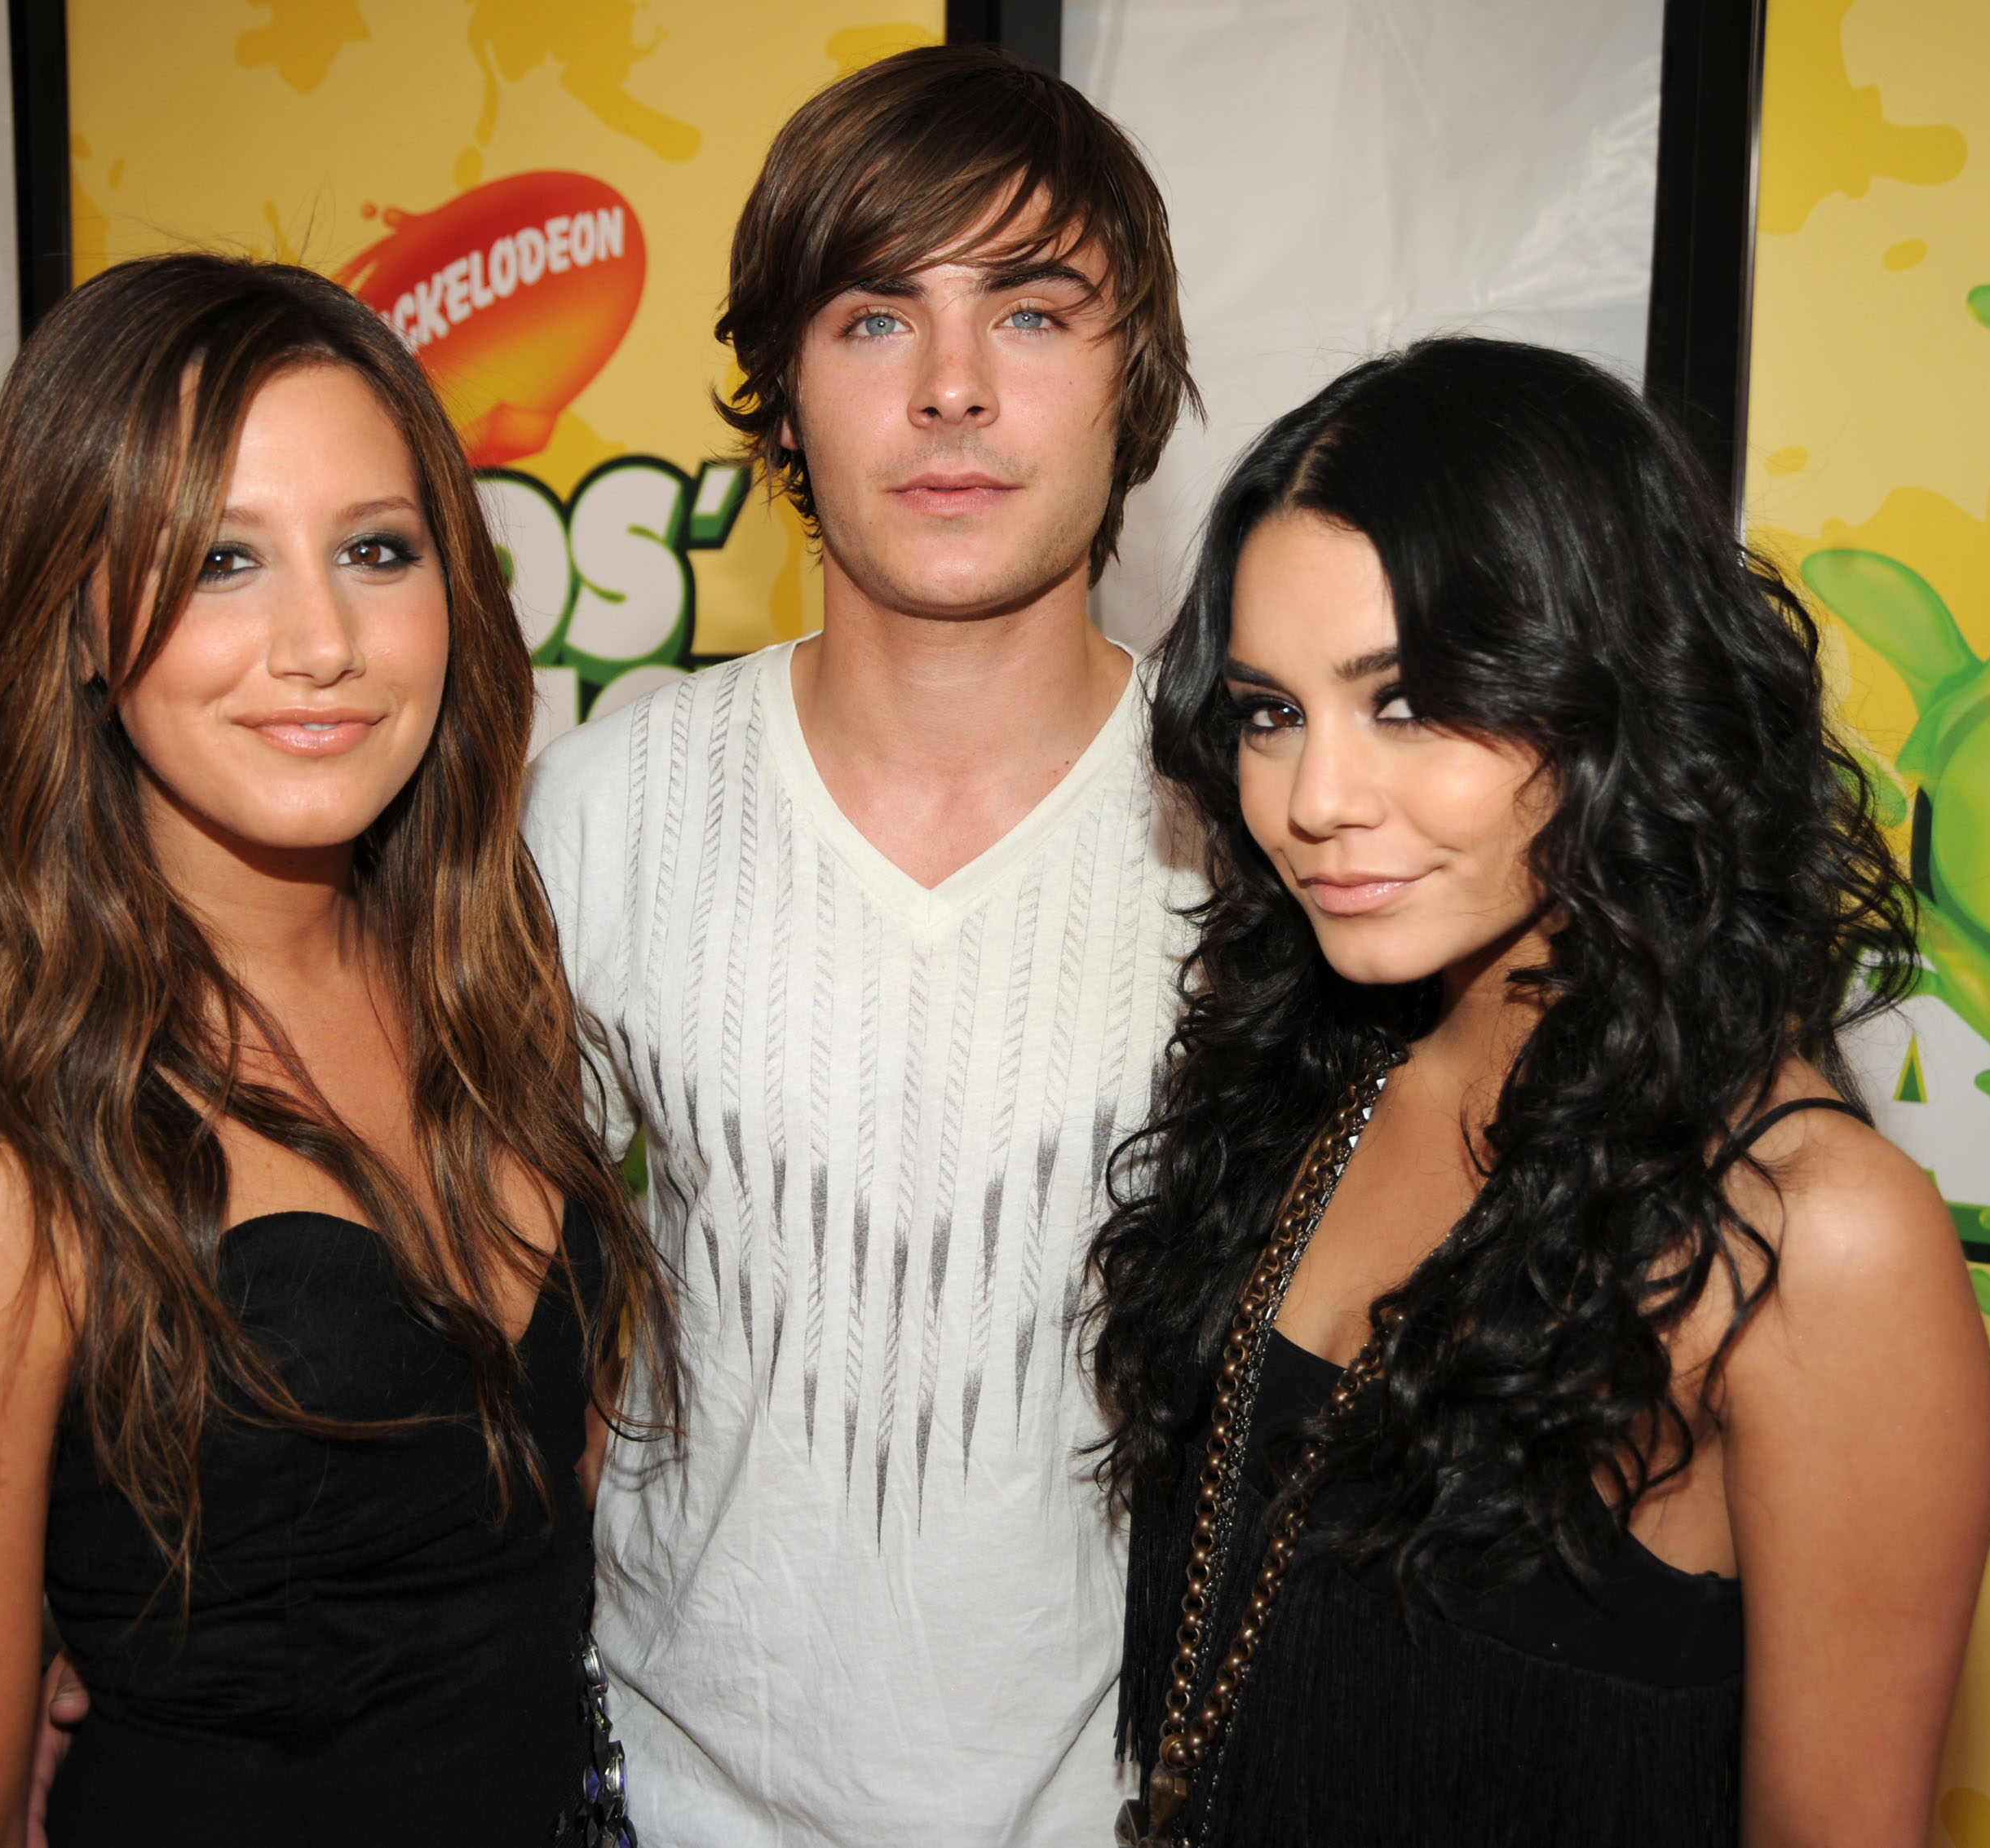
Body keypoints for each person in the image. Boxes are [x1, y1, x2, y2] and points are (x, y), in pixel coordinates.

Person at [0, 254, 674, 1848]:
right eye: (219, 558)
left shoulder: (491, 999)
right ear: (68, 621)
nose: (323, 638)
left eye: (377, 548)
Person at [1091, 338, 1990, 1847]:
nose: (1316, 799)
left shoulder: (1812, 1235)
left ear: (1616, 695)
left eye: (1408, 703)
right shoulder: (1311, 1075)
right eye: (1269, 711)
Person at [519, 43, 1201, 1846]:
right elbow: (482, 1318)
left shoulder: (1269, 839)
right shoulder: (603, 806)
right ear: (784, 390)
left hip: (1123, 1804)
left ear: (1136, 382)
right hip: (660, 1792)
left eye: (1037, 313)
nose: (957, 390)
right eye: (877, 317)